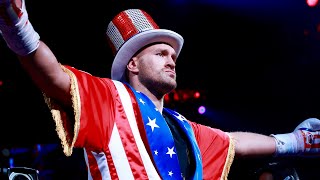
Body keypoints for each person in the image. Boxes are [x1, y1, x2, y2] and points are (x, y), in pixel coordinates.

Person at [0, 0, 319, 179]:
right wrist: (18, 27)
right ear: (133, 64)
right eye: (160, 53)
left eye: (173, 55)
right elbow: (53, 76)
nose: (172, 60)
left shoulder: (184, 128)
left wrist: (294, 142)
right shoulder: (110, 100)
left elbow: (234, 142)